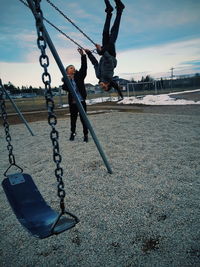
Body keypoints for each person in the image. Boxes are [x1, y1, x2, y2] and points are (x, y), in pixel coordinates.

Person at [85, 0, 125, 99]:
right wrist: (101, 51)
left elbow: (95, 64)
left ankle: (109, 12)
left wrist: (89, 54)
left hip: (104, 52)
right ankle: (120, 10)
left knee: (105, 33)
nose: (102, 86)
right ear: (108, 84)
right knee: (114, 31)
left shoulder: (99, 76)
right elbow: (109, 60)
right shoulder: (108, 76)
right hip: (110, 52)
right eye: (104, 87)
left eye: (102, 88)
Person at [62, 48, 89, 142]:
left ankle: (85, 135)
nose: (73, 68)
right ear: (67, 71)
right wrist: (68, 79)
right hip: (73, 103)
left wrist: (83, 56)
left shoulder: (79, 76)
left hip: (81, 102)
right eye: (71, 67)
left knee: (84, 120)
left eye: (73, 67)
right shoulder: (66, 80)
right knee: (73, 120)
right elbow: (64, 88)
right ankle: (73, 133)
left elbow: (84, 67)